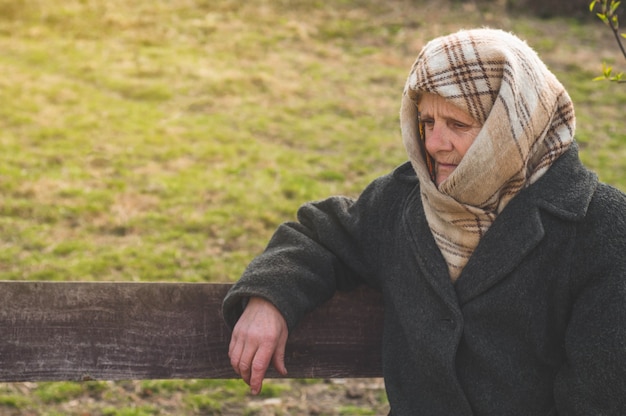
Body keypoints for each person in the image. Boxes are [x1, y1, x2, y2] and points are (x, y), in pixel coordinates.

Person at [222, 28, 626, 415]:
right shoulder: (403, 202)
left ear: (513, 128)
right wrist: (269, 297)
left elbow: (597, 402)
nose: (434, 144)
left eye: (458, 124)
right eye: (428, 122)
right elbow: (321, 235)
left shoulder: (601, 228)